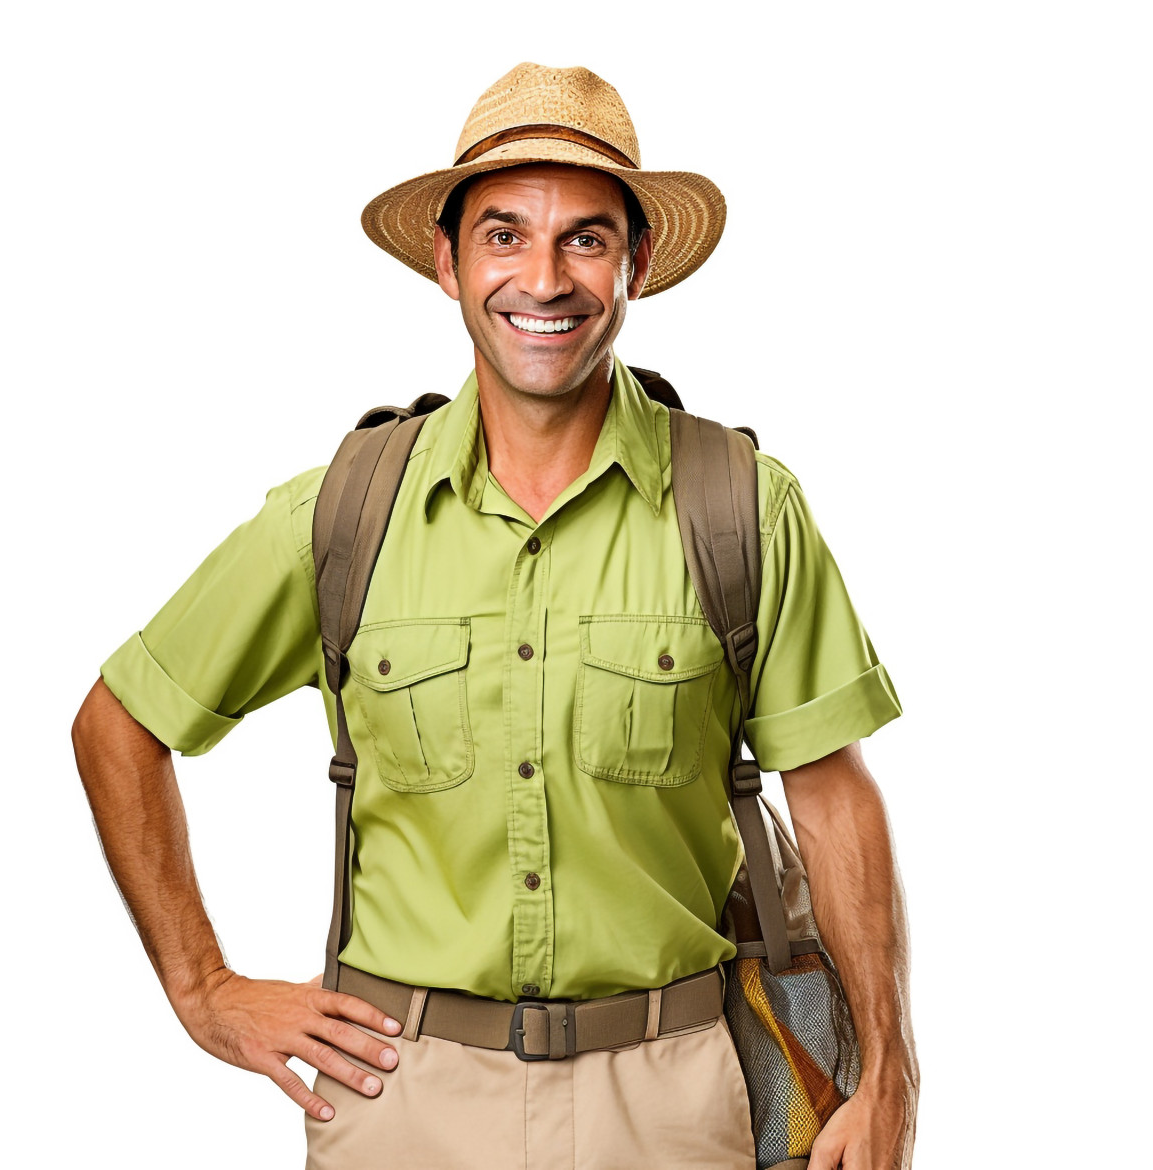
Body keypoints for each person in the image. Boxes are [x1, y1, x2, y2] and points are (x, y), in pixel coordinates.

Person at [72, 62, 919, 1169]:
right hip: (398, 1096)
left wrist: (891, 1072)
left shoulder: (741, 509)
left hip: (670, 1099)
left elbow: (831, 791)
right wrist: (204, 988)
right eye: (504, 234)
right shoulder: (343, 513)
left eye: (584, 239)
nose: (543, 278)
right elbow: (117, 723)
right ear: (447, 261)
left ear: (634, 264)